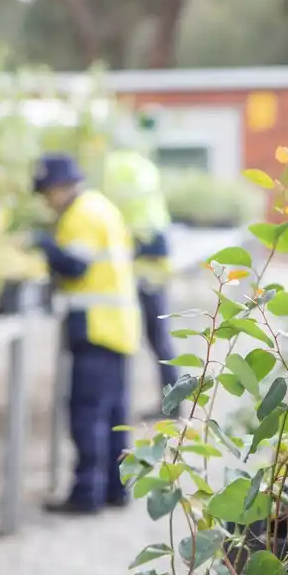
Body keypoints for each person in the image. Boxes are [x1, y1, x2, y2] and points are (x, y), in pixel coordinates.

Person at [31, 153, 141, 515]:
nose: (46, 202)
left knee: (87, 414)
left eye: (46, 193)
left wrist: (44, 245)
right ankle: (115, 489)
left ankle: (86, 494)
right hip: (117, 327)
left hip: (97, 328)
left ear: (58, 187)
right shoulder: (101, 207)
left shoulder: (82, 215)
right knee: (113, 416)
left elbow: (76, 266)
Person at [103, 145, 182, 421]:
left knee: (153, 340)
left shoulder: (116, 170)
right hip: (150, 271)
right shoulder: (142, 169)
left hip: (142, 273)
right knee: (158, 340)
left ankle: (170, 405)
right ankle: (172, 404)